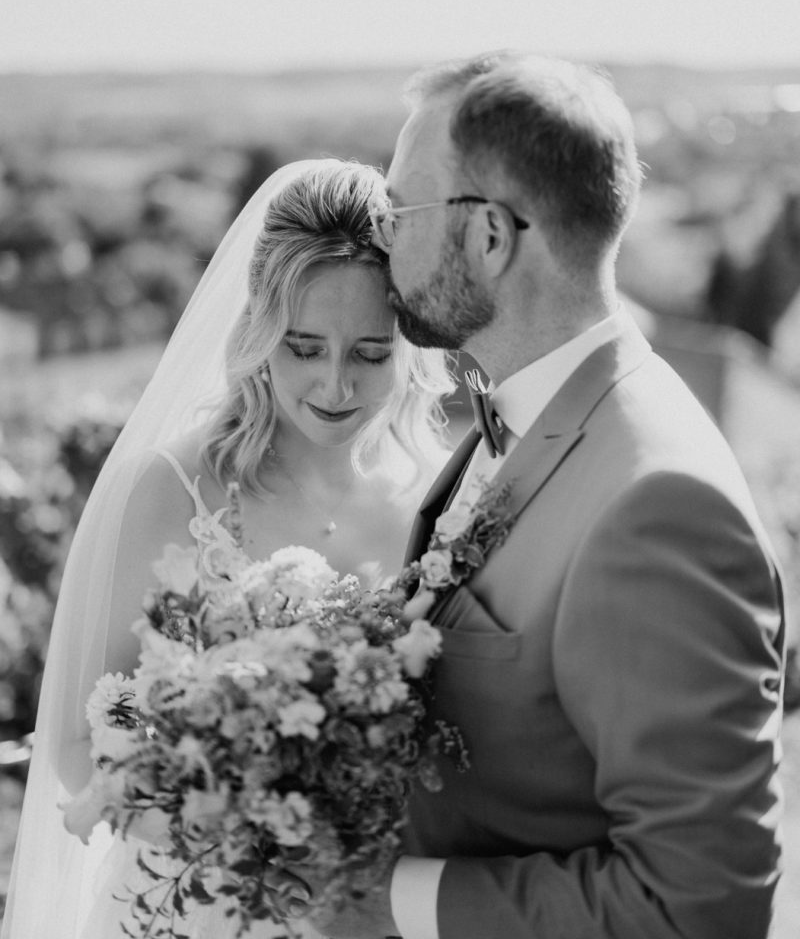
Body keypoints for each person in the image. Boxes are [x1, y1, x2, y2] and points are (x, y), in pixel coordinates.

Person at [308, 54, 786, 939]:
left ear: (489, 237)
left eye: (399, 209)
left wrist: (392, 902)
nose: (383, 239)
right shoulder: (525, 410)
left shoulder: (656, 507)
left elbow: (703, 904)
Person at [1, 159, 453, 939]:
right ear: (260, 332)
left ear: (409, 347)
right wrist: (223, 836)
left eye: (371, 354)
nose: (336, 385)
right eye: (304, 347)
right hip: (189, 907)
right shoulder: (171, 488)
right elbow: (78, 739)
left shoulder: (433, 501)